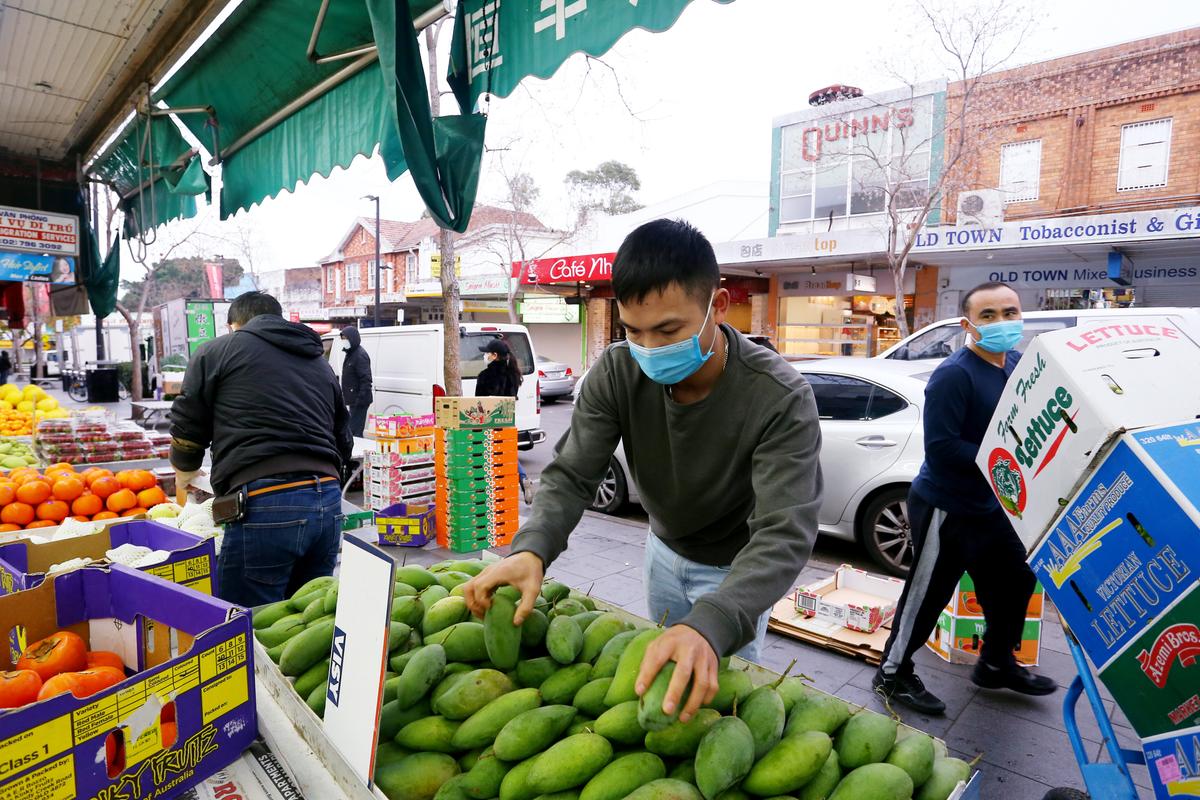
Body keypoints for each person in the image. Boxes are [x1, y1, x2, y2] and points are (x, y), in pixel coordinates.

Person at [464, 219, 823, 724]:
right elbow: (572, 473)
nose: (649, 348)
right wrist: (532, 548)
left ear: (717, 307)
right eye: (634, 331)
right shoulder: (617, 370)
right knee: (657, 687)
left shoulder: (779, 396)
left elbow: (785, 531)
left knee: (722, 704)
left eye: (669, 330)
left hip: (735, 570)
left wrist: (715, 622)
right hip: (661, 552)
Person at [873, 281, 1056, 715]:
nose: (1001, 323)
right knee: (929, 593)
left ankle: (995, 661)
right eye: (988, 315)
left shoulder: (1014, 364)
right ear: (967, 324)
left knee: (1016, 579)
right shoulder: (954, 375)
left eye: (1009, 313)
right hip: (947, 507)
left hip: (995, 505)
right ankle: (892, 672)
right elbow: (941, 447)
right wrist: (1003, 458)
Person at [170, 291, 353, 607]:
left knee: (250, 622)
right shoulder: (318, 363)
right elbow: (343, 436)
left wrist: (185, 470)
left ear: (234, 325)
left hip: (265, 501)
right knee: (308, 619)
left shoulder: (217, 351)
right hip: (328, 502)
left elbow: (189, 420)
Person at [475, 338, 534, 504]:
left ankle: (492, 492)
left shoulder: (485, 376)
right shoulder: (513, 374)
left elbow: (479, 402)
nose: (485, 356)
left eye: (487, 353)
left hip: (489, 423)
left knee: (488, 457)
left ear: (494, 355)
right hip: (507, 422)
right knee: (507, 453)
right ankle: (523, 478)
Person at [340, 326, 373, 437]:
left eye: (346, 338)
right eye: (343, 338)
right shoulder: (350, 353)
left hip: (359, 401)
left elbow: (366, 380)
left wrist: (360, 400)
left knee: (354, 431)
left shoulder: (359, 355)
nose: (344, 341)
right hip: (353, 400)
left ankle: (356, 453)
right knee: (353, 430)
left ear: (352, 338)